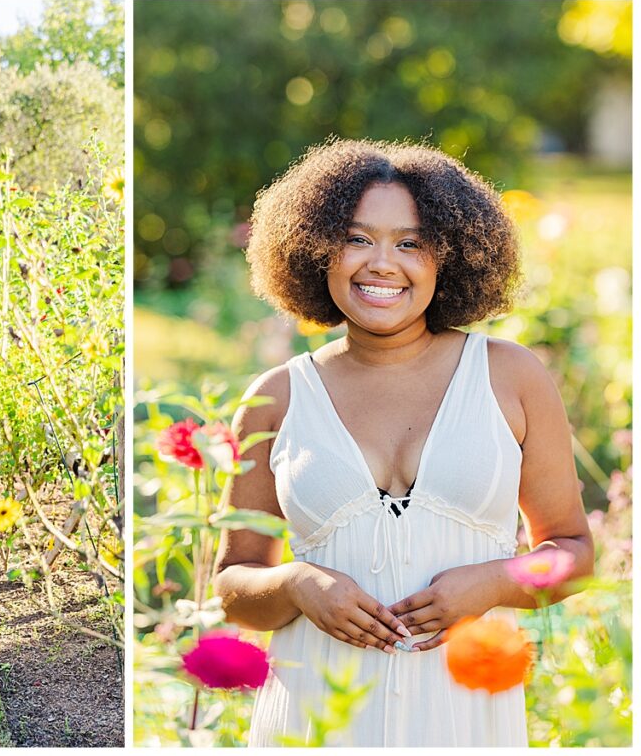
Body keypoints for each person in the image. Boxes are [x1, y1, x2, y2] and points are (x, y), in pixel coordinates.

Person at [212, 139, 594, 746]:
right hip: (315, 718)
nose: (381, 264)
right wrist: (297, 584)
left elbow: (573, 553)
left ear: (450, 256)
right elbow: (234, 586)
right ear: (316, 252)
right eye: (356, 239)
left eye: (410, 242)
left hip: (465, 716)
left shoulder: (511, 377)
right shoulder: (278, 396)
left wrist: (495, 582)